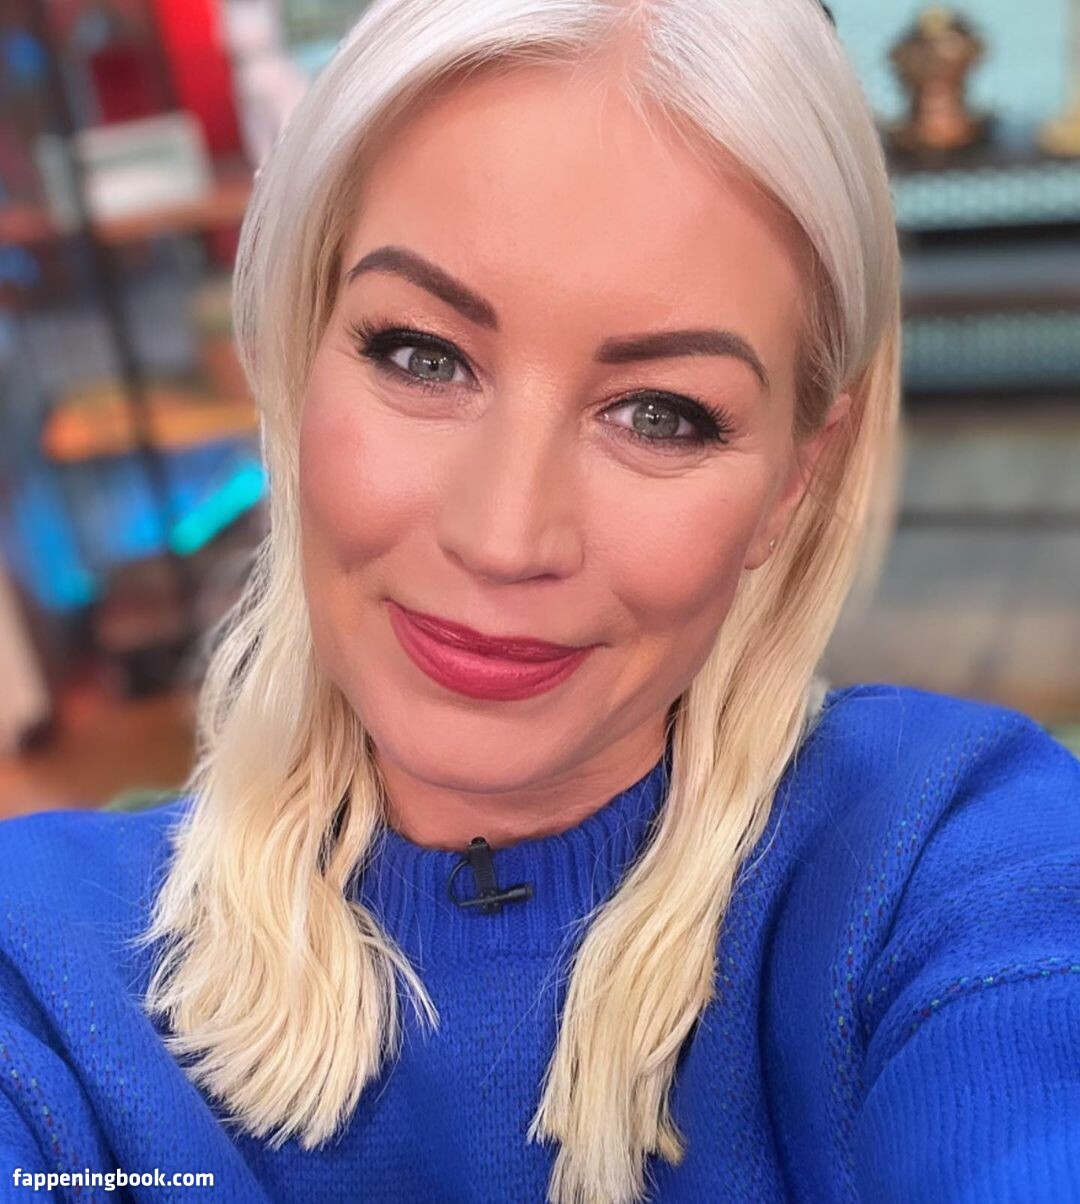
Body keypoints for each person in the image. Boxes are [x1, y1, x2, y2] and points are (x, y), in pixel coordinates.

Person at [2, 1, 1078, 1201]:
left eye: (661, 413)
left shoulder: (955, 869)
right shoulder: (38, 973)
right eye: (422, 354)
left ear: (796, 477)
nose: (505, 538)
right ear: (300, 350)